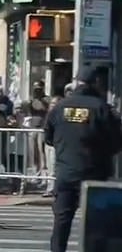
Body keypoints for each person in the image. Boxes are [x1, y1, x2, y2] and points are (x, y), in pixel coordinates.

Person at [44, 66, 122, 252]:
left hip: (66, 173)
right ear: (96, 83)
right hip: (95, 174)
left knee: (61, 223)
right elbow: (116, 142)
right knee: (97, 224)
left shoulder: (60, 107)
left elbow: (48, 137)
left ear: (76, 82)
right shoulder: (102, 108)